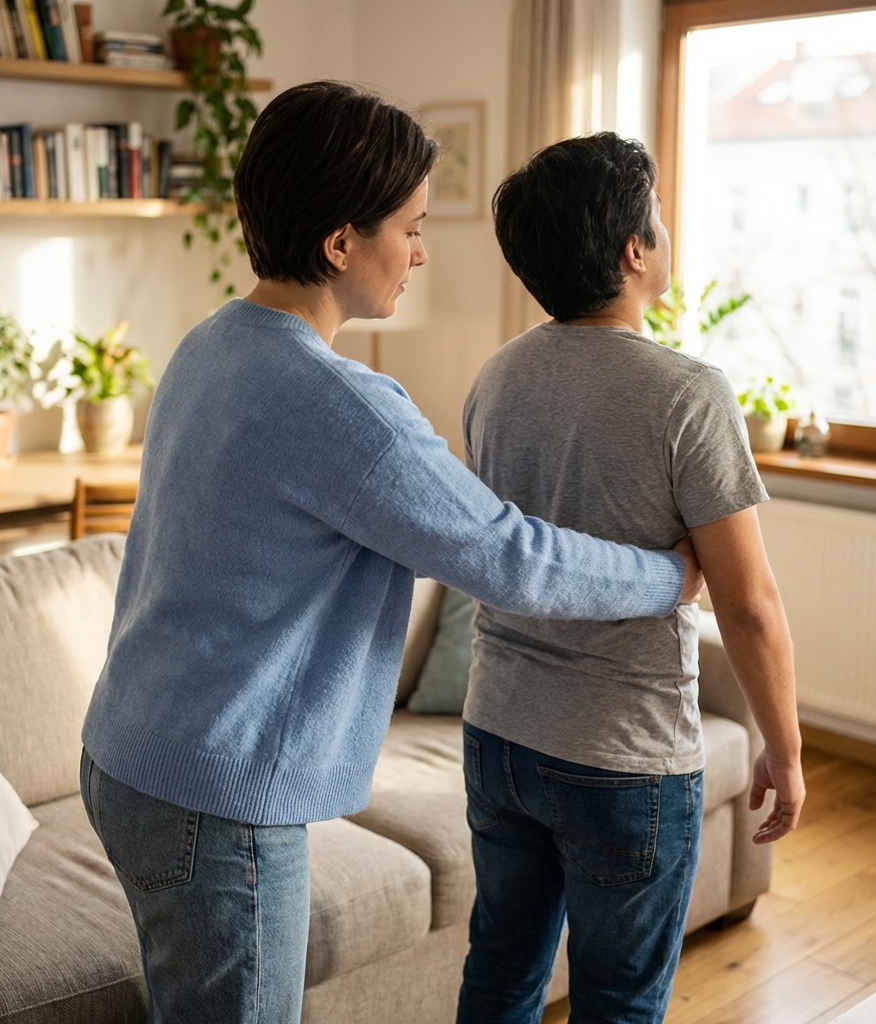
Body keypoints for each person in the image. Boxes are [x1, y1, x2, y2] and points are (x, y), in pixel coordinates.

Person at [77, 85, 703, 1024]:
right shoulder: (342, 405)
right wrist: (671, 575)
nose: (418, 252)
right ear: (340, 243)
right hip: (213, 801)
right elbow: (508, 556)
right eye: (408, 228)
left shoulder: (211, 343)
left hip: (124, 753)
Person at [456, 133, 806, 1024]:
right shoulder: (686, 394)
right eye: (655, 211)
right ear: (632, 251)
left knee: (500, 974)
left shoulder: (495, 379)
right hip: (623, 755)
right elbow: (750, 604)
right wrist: (786, 748)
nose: (663, 224)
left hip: (497, 733)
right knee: (618, 1005)